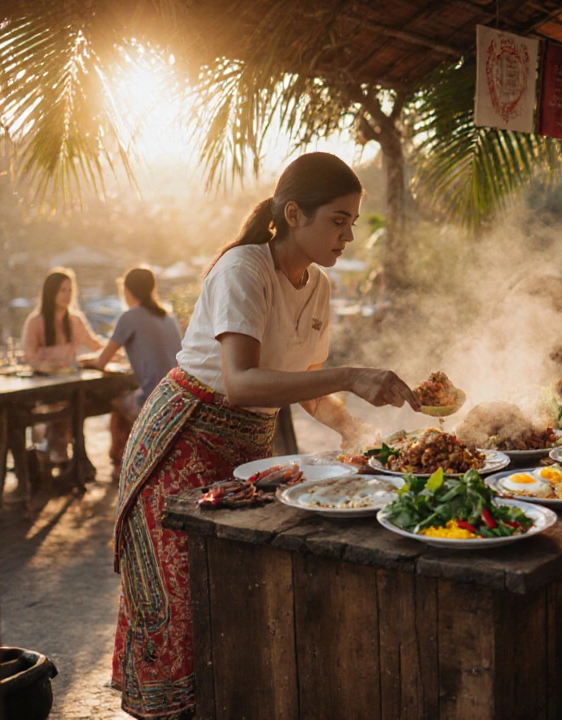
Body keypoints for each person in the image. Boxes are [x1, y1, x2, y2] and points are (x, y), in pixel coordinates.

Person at [110, 153, 420, 720]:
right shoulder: (244, 270)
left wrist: (357, 429)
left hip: (248, 448)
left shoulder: (319, 285)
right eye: (338, 220)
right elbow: (241, 382)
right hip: (184, 438)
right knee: (183, 599)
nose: (350, 235)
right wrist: (352, 375)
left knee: (237, 591)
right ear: (294, 214)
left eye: (353, 221)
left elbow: (302, 385)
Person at [88, 267, 183, 481]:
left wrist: (88, 361)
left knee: (117, 404)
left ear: (127, 290)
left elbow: (102, 361)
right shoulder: (168, 316)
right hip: (178, 397)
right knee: (127, 398)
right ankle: (132, 460)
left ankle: (119, 466)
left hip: (153, 401)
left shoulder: (130, 317)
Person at [21, 269, 106, 462]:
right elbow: (29, 357)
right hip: (44, 388)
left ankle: (67, 457)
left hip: (71, 385)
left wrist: (118, 348)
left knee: (86, 401)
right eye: (62, 290)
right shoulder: (36, 321)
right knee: (62, 407)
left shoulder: (75, 320)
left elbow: (95, 344)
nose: (67, 295)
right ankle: (56, 453)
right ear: (51, 292)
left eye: (69, 290)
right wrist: (55, 362)